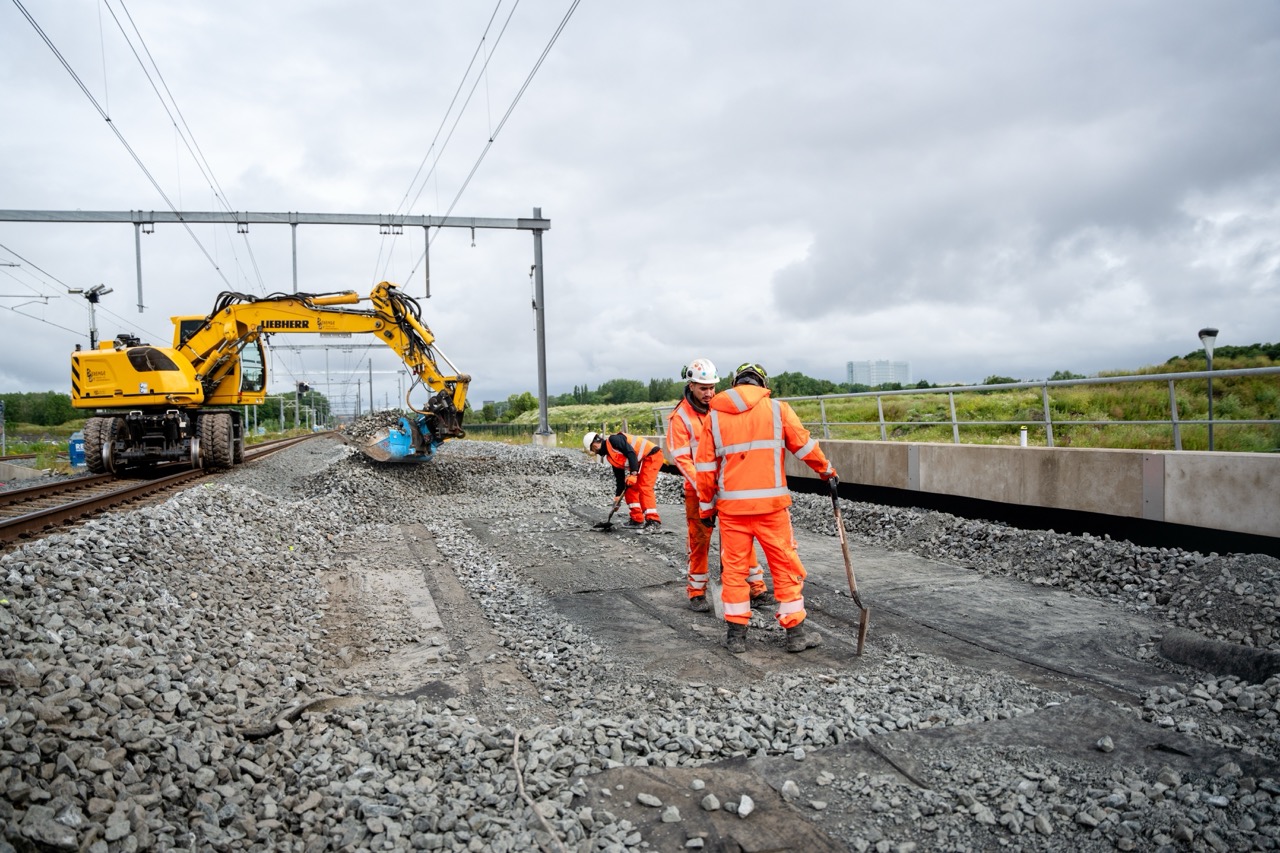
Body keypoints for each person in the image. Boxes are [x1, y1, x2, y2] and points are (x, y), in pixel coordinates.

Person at [699, 362, 837, 654]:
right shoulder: (778, 410)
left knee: (735, 572)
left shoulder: (714, 417)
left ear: (735, 384)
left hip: (732, 511)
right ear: (762, 384)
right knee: (785, 568)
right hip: (771, 510)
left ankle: (736, 636)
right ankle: (795, 634)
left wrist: (706, 508)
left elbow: (706, 469)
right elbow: (804, 447)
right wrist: (826, 470)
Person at [666, 357, 774, 612]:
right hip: (698, 492)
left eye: (712, 387)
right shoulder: (679, 418)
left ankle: (755, 588)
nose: (709, 393)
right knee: (699, 540)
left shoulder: (720, 408)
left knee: (741, 536)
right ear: (691, 386)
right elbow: (682, 460)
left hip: (728, 488)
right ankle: (696, 592)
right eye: (704, 388)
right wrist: (706, 490)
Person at [584, 430, 663, 529]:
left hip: (652, 455)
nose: (595, 452)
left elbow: (630, 453)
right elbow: (619, 479)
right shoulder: (611, 456)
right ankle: (637, 519)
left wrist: (633, 474)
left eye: (593, 449)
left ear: (594, 445)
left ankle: (653, 521)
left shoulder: (614, 440)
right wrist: (617, 498)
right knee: (629, 488)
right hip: (641, 461)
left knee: (644, 487)